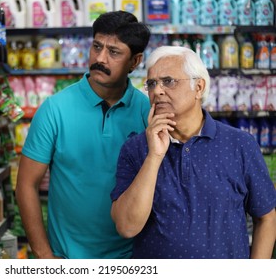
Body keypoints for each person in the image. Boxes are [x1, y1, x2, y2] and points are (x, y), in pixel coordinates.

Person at [111, 46, 276, 259]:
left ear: (198, 87)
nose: (157, 91)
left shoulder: (240, 144)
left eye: (168, 81)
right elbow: (126, 227)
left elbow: (267, 217)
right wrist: (154, 156)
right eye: (151, 84)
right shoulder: (135, 148)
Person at [15, 11, 151, 259]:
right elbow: (26, 184)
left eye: (114, 52)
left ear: (135, 61)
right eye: (97, 46)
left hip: (131, 257)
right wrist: (45, 257)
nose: (100, 58)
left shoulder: (147, 113)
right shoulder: (55, 109)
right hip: (68, 258)